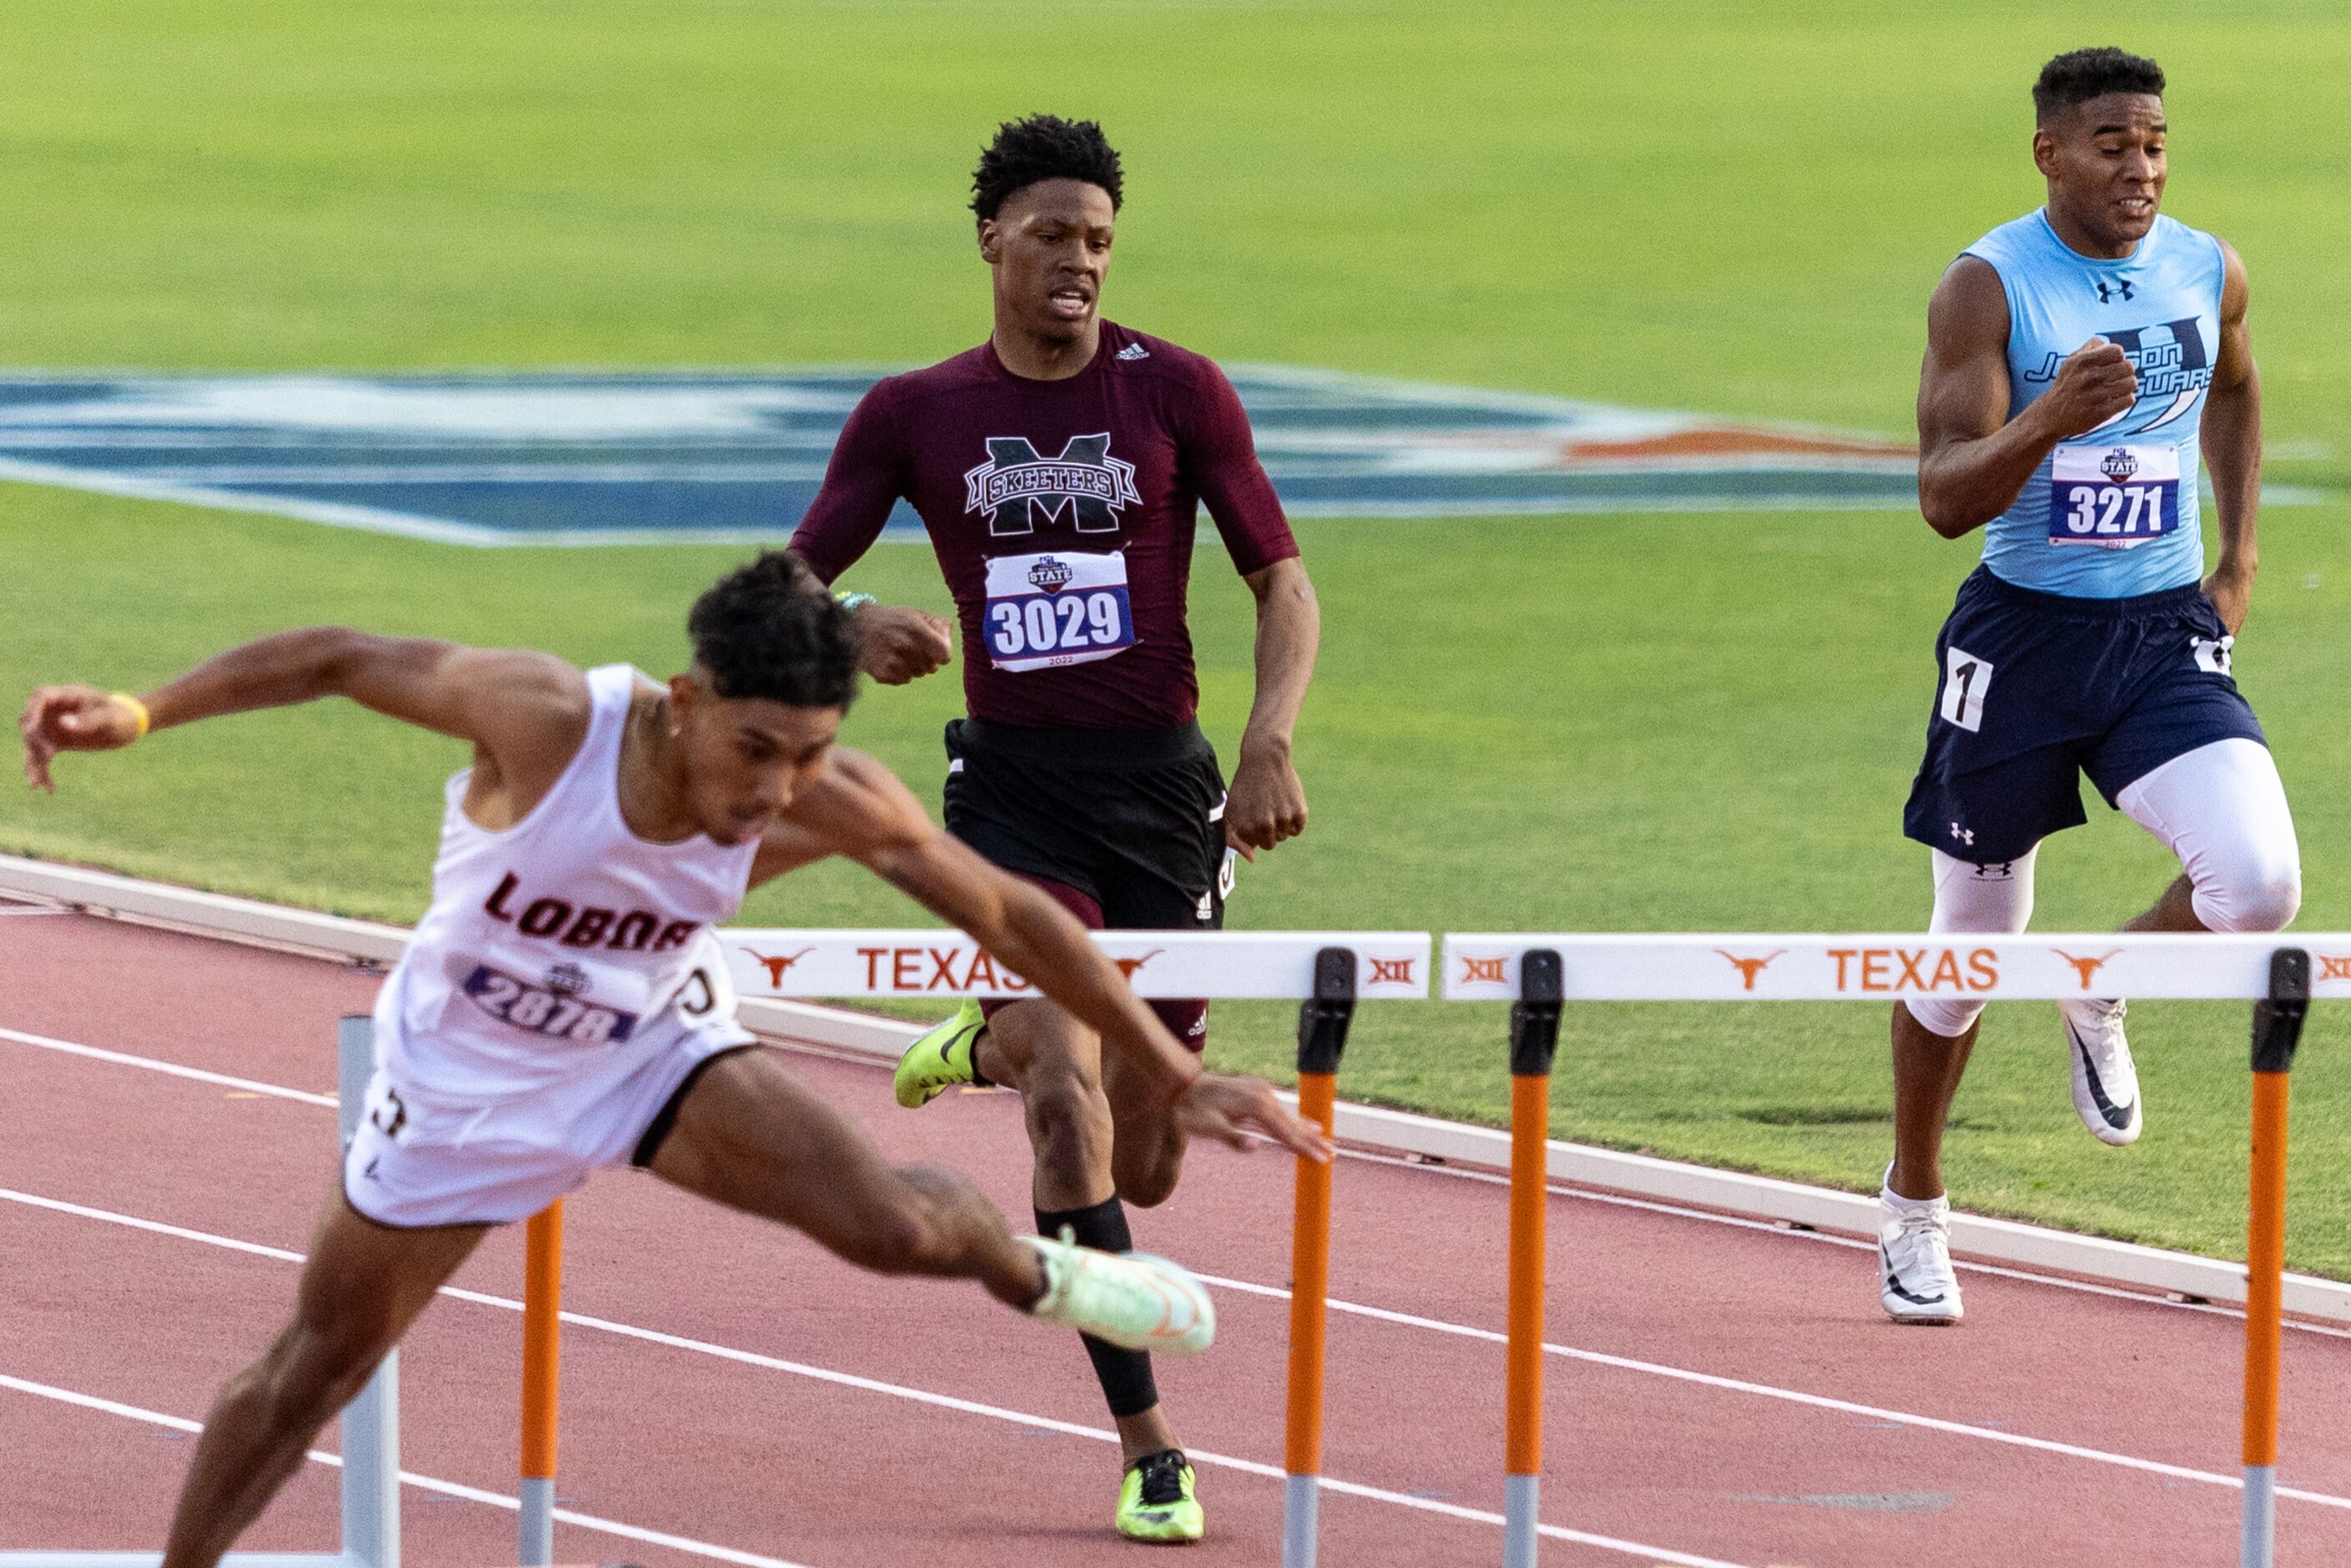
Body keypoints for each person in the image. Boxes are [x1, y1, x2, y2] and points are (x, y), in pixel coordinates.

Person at [17, 550, 1326, 1566]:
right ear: (686, 699)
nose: (772, 789)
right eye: (753, 747)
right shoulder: (546, 721)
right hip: (463, 1079)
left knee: (886, 1227)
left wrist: (1166, 1067)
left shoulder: (828, 797)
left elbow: (1014, 913)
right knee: (319, 1364)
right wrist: (142, 709)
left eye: (805, 753)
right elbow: (337, 656)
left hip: (644, 1044)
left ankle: (1038, 1269)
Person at [787, 114, 1319, 1540]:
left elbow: (1282, 580)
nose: (1079, 262)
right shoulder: (916, 414)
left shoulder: (1176, 391)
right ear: (990, 243)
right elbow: (775, 584)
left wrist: (1268, 740)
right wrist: (848, 621)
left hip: (1163, 795)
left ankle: (1001, 1030)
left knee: (1148, 1150)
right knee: (1067, 1109)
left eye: (1098, 240)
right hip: (1011, 796)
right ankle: (1152, 1443)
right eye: (1052, 236)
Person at [1882, 47, 2301, 1325]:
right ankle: (1915, 1200)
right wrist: (2049, 420)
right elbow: (1947, 498)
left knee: (2260, 882)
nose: (2144, 168)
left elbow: (2233, 381)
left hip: (2161, 631)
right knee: (1971, 949)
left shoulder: (2203, 264)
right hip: (2021, 641)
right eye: (2114, 143)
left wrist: (2235, 556)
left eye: (2159, 141)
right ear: (2050, 152)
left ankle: (2101, 974)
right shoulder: (1987, 287)